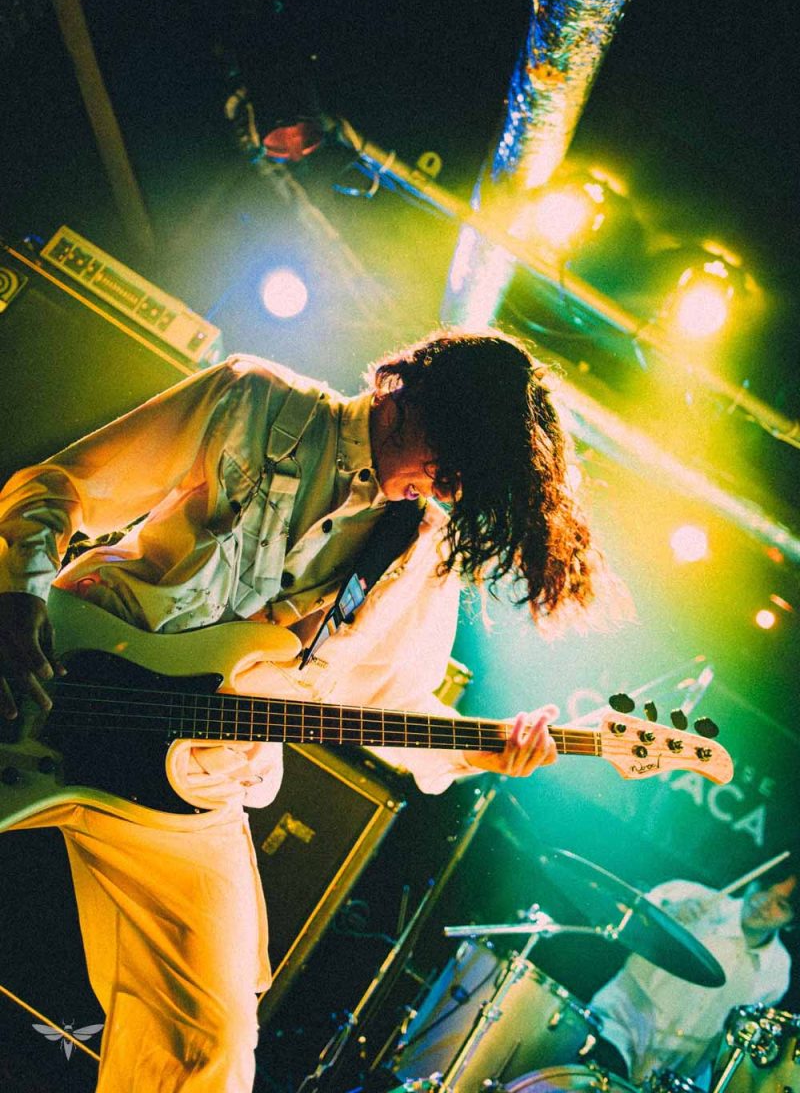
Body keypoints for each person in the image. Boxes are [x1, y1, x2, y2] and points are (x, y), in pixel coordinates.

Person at [0, 328, 603, 1092]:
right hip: (53, 678)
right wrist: (17, 598)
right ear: (407, 392)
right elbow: (60, 487)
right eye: (448, 457)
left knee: (211, 1046)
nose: (446, 487)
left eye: (462, 479)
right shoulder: (254, 401)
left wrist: (481, 750)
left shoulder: (418, 550)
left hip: (191, 783)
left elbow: (391, 704)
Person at [587, 867, 798, 1088]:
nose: (763, 903)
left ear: (792, 922)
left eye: (781, 905)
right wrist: (666, 915)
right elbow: (623, 915)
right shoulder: (691, 896)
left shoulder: (778, 972)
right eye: (763, 888)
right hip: (617, 1029)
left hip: (670, 1074)